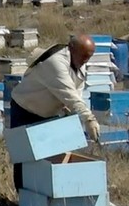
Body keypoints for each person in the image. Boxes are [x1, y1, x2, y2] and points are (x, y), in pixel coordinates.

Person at [7, 33, 102, 190]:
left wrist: (72, 112)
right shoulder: (55, 62)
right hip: (26, 109)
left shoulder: (79, 60)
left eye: (89, 56)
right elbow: (68, 93)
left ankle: (45, 192)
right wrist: (89, 119)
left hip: (49, 112)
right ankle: (23, 196)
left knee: (50, 156)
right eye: (84, 55)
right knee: (25, 157)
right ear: (71, 49)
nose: (86, 60)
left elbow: (77, 91)